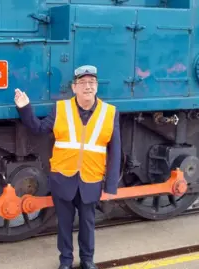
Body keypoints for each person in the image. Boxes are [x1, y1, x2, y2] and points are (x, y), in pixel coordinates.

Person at [14, 65, 121, 269]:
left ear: (96, 87)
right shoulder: (61, 108)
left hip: (91, 178)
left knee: (88, 224)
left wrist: (111, 187)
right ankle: (65, 261)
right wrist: (24, 108)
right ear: (74, 88)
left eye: (91, 83)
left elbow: (115, 151)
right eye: (82, 83)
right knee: (63, 224)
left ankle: (88, 260)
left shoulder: (110, 113)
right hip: (63, 178)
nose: (87, 87)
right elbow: (38, 128)